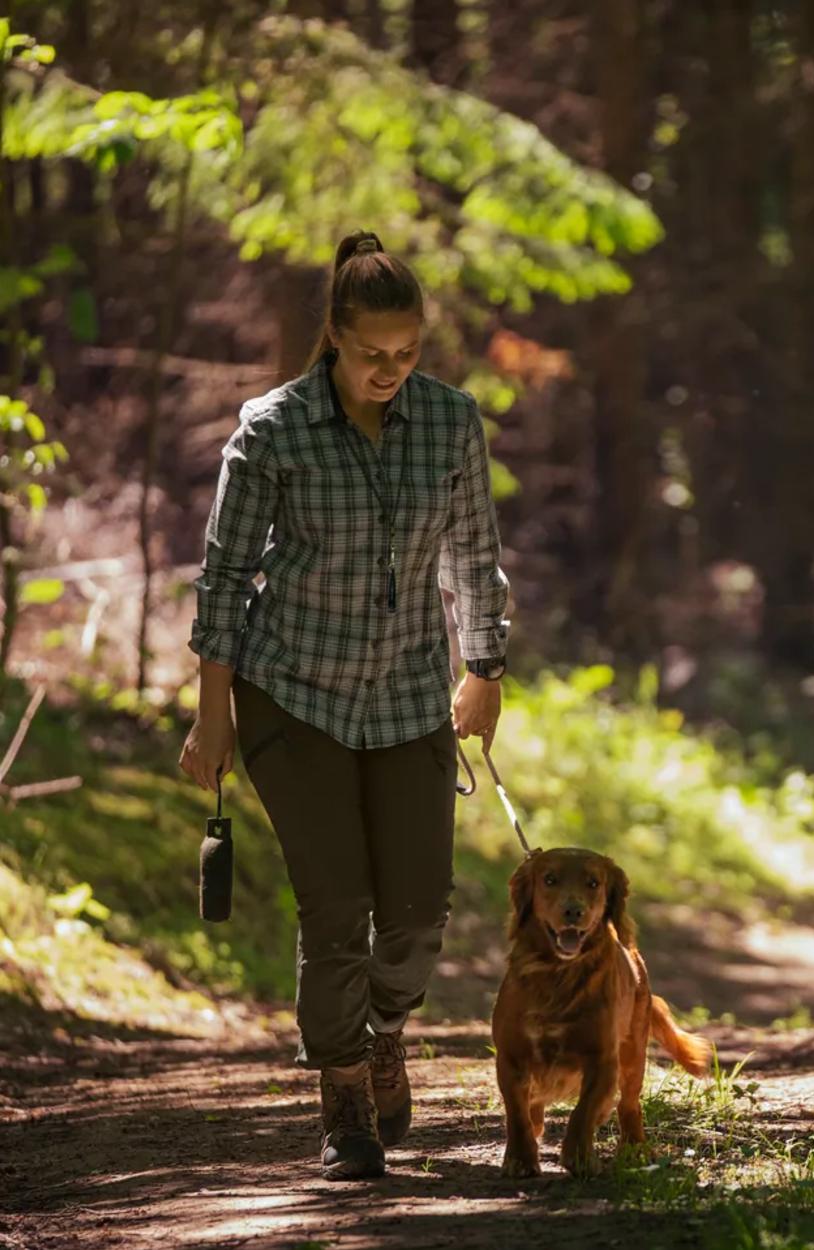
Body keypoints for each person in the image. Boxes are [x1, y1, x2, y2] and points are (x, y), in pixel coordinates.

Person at [178, 228, 510, 1182]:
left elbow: (471, 556)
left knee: (415, 914)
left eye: (407, 355)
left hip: (409, 697)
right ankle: (345, 1103)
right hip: (292, 697)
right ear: (333, 335)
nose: (390, 372)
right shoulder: (272, 429)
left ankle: (386, 1033)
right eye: (372, 355)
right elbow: (226, 577)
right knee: (336, 908)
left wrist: (482, 670)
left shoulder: (451, 423)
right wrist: (214, 714)